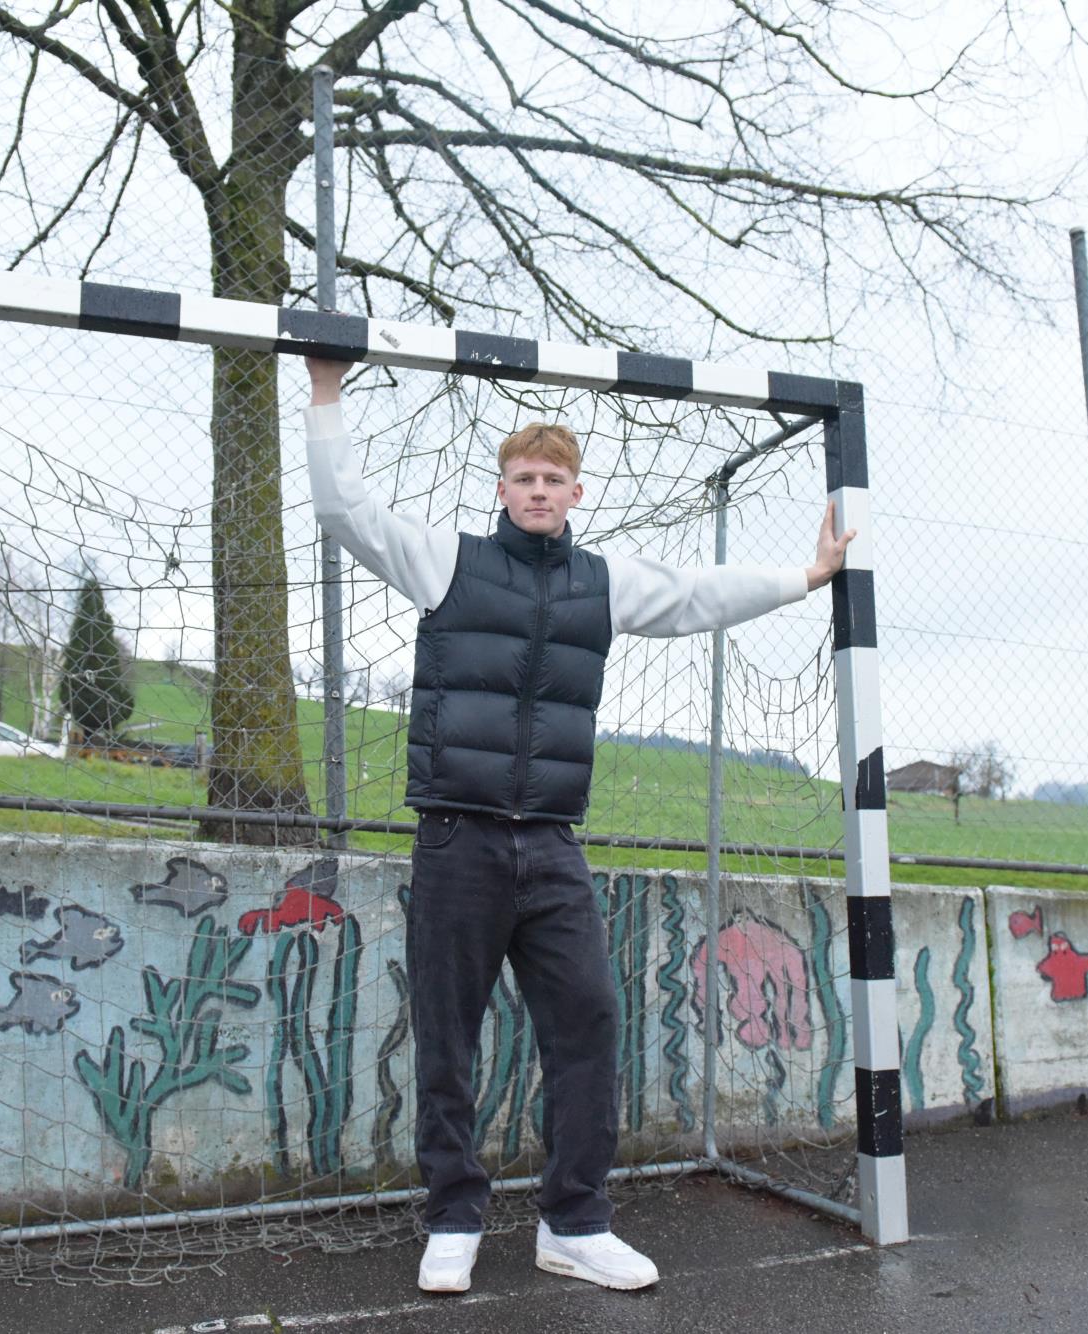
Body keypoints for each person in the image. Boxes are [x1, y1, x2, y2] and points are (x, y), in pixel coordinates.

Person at [303, 357, 855, 1294]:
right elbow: (347, 510)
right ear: (503, 488)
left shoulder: (602, 582)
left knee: (588, 1021)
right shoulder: (448, 561)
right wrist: (325, 392)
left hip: (551, 843)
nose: (539, 491)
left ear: (575, 493)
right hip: (457, 837)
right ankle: (453, 1217)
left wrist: (804, 577)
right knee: (448, 1033)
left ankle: (575, 1220)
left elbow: (696, 596)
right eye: (524, 477)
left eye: (554, 479)